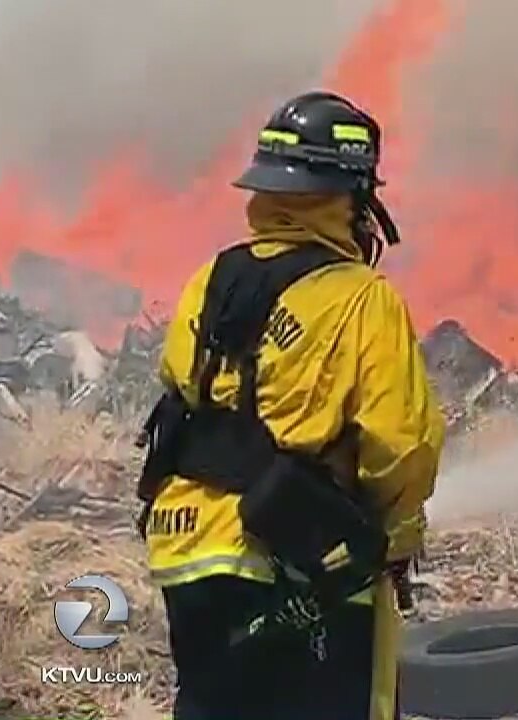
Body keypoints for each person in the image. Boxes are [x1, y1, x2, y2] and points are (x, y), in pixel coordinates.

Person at [134, 91, 445, 720]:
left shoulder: (211, 278)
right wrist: (394, 540)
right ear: (353, 195)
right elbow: (399, 445)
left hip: (186, 550)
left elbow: (181, 388)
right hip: (298, 564)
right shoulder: (362, 299)